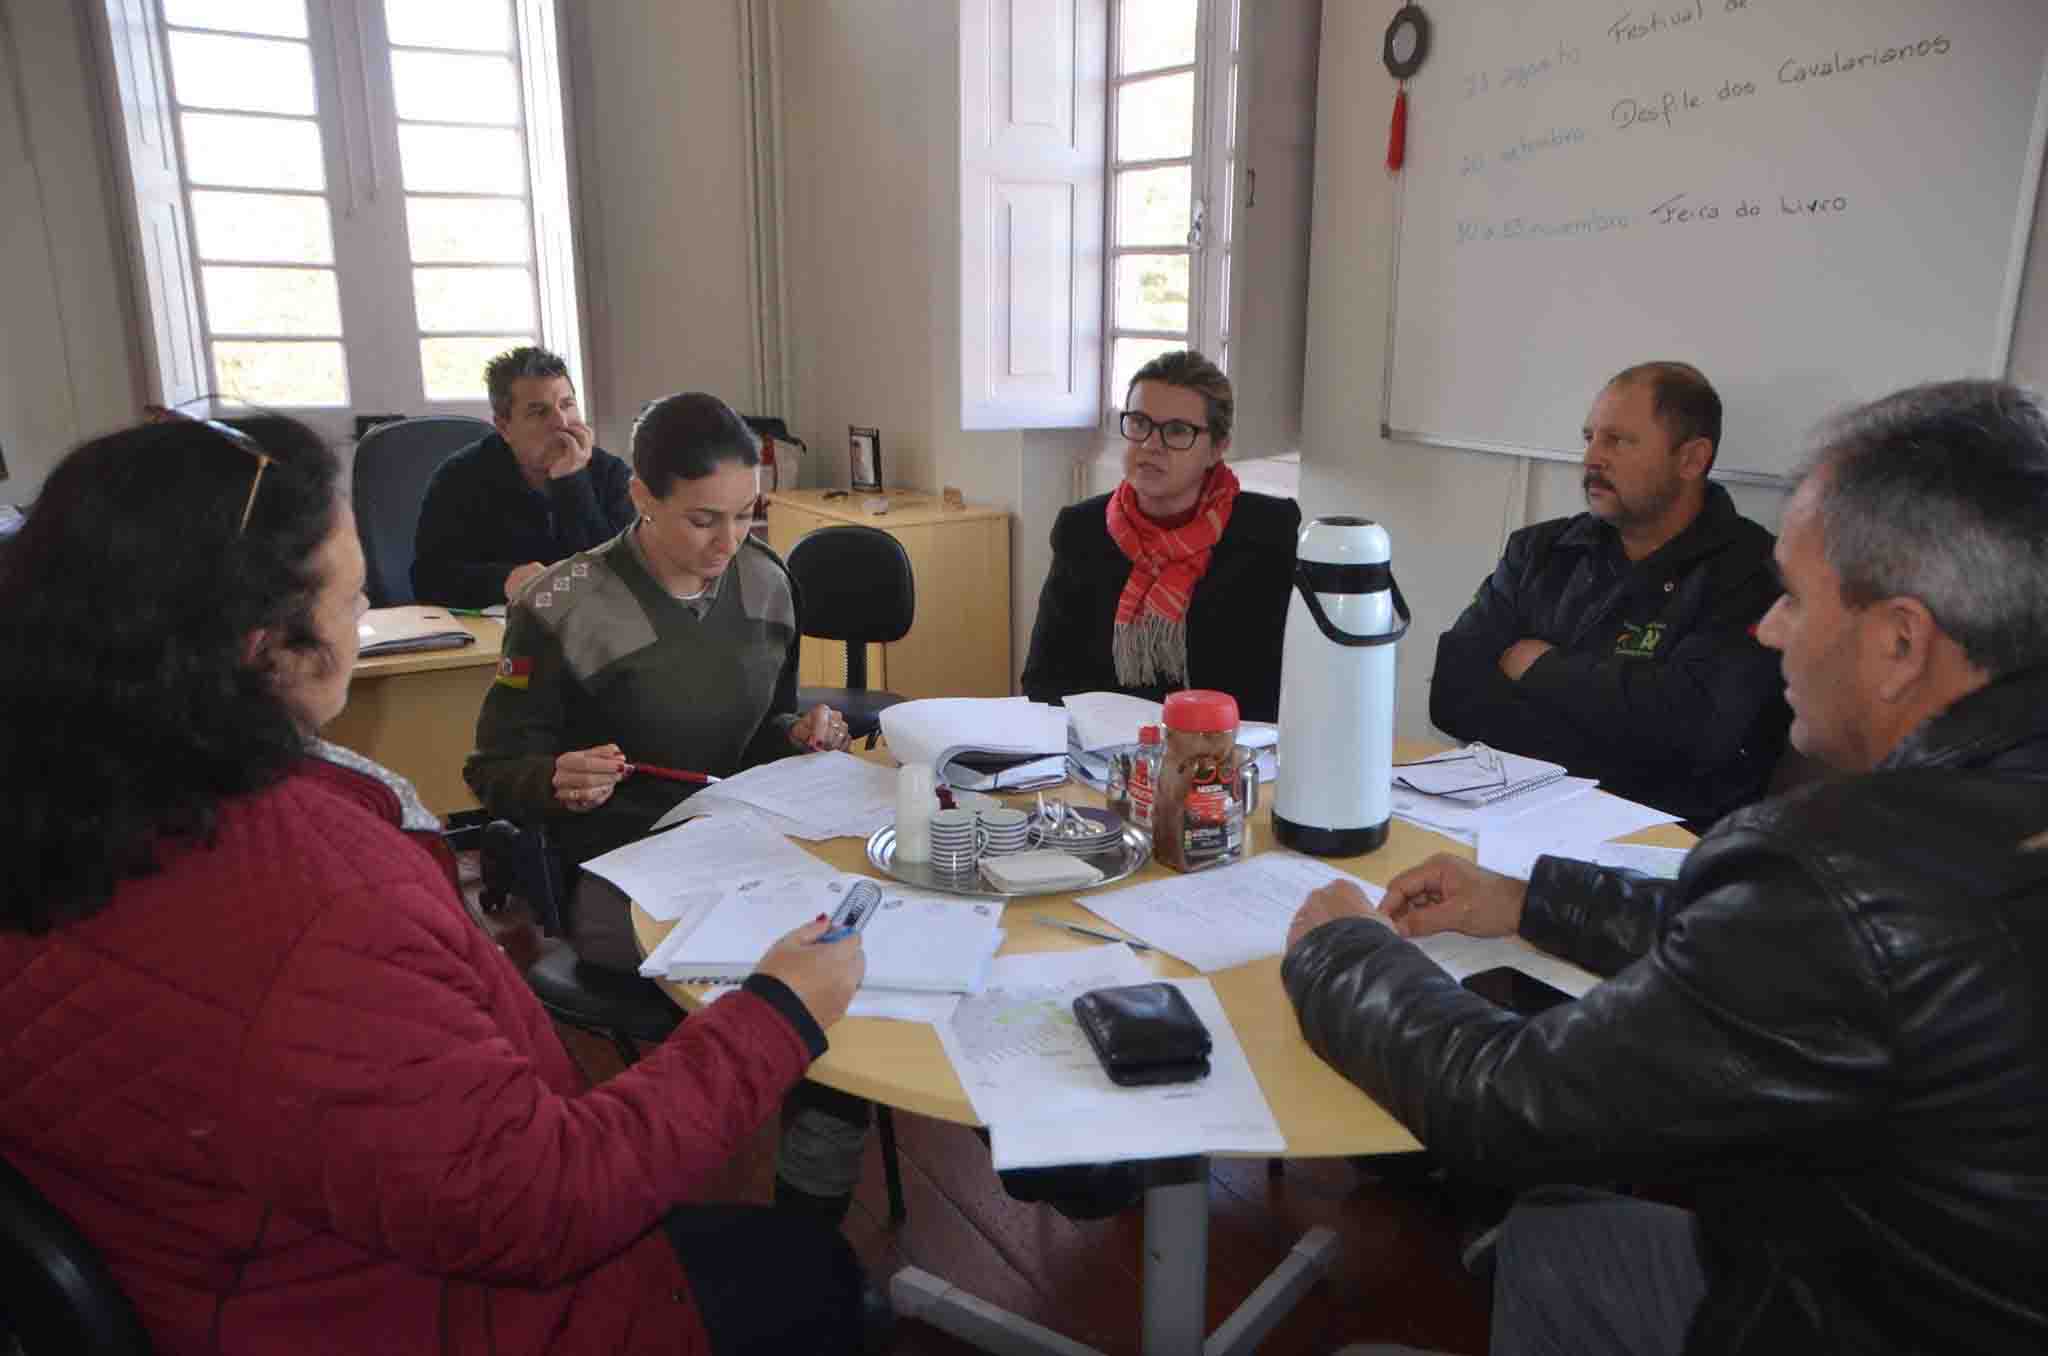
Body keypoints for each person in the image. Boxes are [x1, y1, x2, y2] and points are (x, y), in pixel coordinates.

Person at [0, 415, 876, 1355]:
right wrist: (775, 1015)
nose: (362, 624)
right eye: (354, 601)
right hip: (415, 1304)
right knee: (818, 1278)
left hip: (235, 1269)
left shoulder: (66, 794)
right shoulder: (322, 907)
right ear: (263, 645)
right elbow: (546, 1205)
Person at [1283, 379, 2048, 1355]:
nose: (1769, 629)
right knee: (1557, 1239)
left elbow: (1507, 1105)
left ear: (1901, 642)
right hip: (1923, 1276)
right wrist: (1530, 899)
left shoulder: (1841, 874)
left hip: (1844, 1307)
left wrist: (1343, 951)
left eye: (1794, 599)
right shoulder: (1961, 825)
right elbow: (1789, 966)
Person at [463, 392, 869, 1225]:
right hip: (622, 870)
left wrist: (798, 734)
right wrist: (554, 778)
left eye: (746, 515)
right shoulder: (562, 604)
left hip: (745, 851)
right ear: (641, 496)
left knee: (847, 965)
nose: (728, 543)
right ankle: (707, 1201)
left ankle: (806, 1227)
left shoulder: (767, 582)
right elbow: (494, 769)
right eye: (702, 519)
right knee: (797, 982)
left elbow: (760, 736)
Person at [1429, 362, 1788, 824]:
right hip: (1509, 818)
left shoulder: (1752, 573)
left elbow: (1698, 734)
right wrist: (1616, 721)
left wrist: (1540, 668)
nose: (1591, 458)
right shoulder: (1539, 551)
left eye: (1617, 440)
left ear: (1691, 459)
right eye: (1589, 437)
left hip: (1655, 843)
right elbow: (1453, 694)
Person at [1021, 349, 1301, 721]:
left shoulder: (1269, 532)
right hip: (1105, 745)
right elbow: (1043, 681)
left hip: (1226, 745)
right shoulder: (1082, 529)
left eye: (1177, 431)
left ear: (1217, 448)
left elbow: (1287, 686)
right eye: (1139, 423)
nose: (1151, 444)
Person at [412, 344, 637, 607]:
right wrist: (505, 581)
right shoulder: (459, 478)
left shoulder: (611, 473)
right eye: (539, 412)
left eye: (567, 405)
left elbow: (622, 578)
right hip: (500, 626)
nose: (561, 422)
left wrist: (572, 482)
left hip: (592, 625)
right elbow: (428, 580)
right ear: (504, 427)